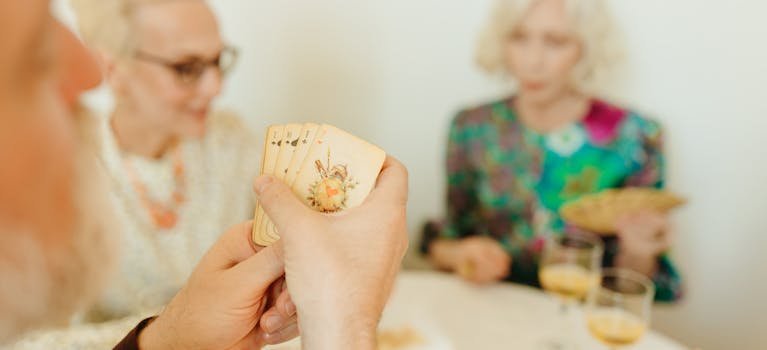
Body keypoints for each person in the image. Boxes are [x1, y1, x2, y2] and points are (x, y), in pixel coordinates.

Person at [0, 1, 409, 349]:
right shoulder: (56, 166)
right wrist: (173, 330)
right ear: (113, 67)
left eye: (218, 61)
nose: (215, 87)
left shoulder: (232, 143)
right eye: (187, 68)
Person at [422, 0, 682, 302]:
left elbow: (633, 291)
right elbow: (446, 237)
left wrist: (638, 251)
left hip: (580, 316)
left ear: (587, 48)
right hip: (489, 306)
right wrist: (459, 255)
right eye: (519, 37)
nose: (532, 61)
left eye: (556, 42)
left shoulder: (635, 136)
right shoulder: (472, 127)